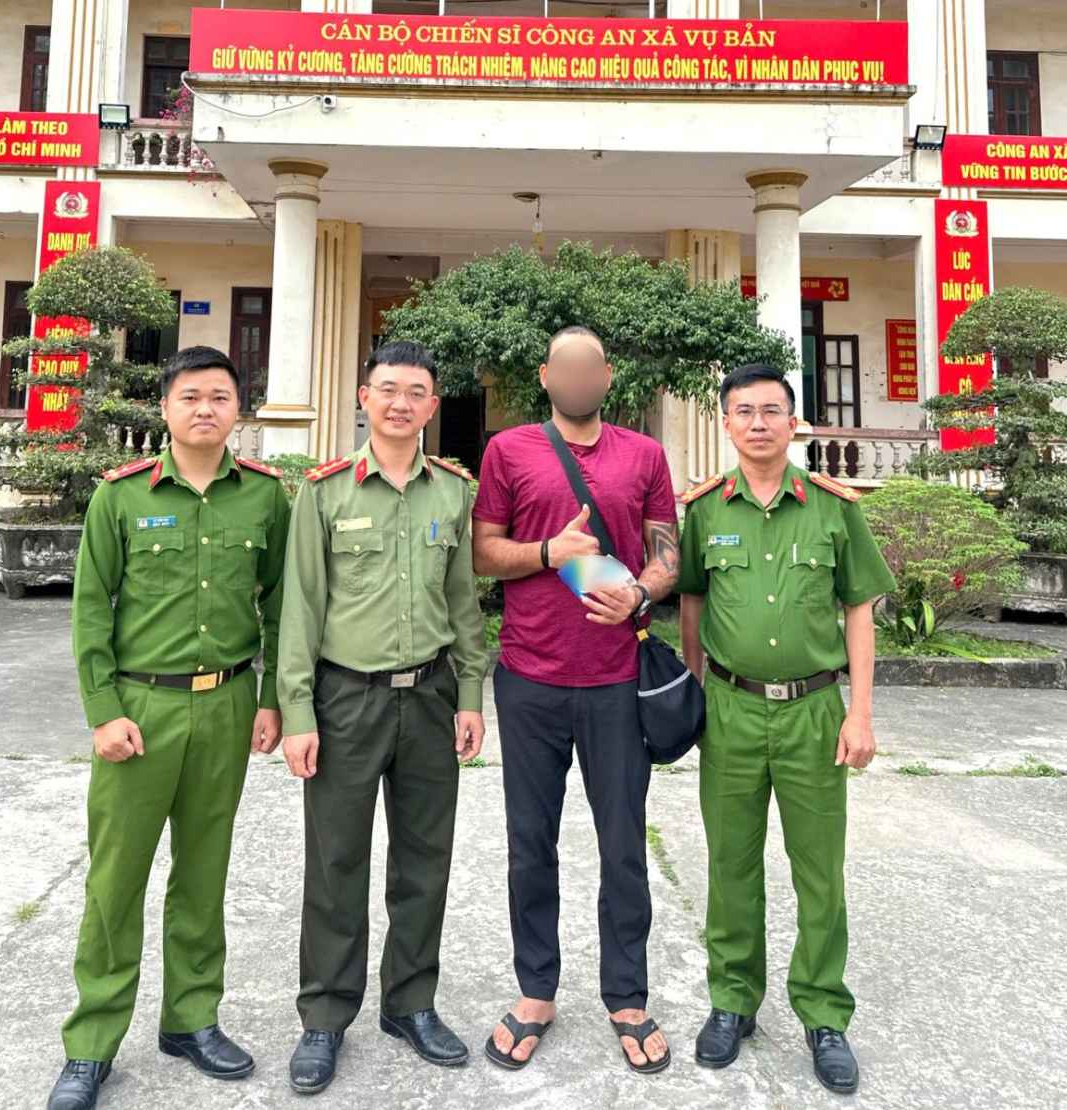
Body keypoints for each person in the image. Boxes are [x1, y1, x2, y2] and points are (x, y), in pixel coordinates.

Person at [46, 346, 290, 1110]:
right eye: (191, 396)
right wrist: (103, 711)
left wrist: (272, 697)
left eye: (221, 397)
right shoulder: (118, 498)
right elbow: (91, 609)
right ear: (166, 409)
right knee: (116, 878)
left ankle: (190, 1019)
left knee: (203, 871)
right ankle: (91, 1043)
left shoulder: (264, 498)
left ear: (238, 412)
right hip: (140, 711)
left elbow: (283, 603)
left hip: (227, 704)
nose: (206, 409)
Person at [676, 363, 896, 1096]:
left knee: (818, 872)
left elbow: (859, 607)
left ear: (794, 423)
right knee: (730, 865)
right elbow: (693, 610)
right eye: (745, 411)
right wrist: (695, 690)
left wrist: (860, 712)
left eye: (773, 410)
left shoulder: (834, 510)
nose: (760, 423)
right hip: (731, 712)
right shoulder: (706, 511)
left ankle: (824, 1013)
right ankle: (732, 1001)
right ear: (728, 424)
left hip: (814, 713)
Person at [276, 339, 487, 1096]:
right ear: (364, 398)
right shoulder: (325, 492)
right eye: (387, 389)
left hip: (430, 696)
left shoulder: (452, 493)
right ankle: (326, 1016)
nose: (401, 403)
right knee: (336, 863)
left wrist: (470, 696)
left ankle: (411, 1003)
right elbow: (299, 610)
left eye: (417, 391)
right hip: (344, 699)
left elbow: (463, 604)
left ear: (433, 406)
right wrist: (297, 710)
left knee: (424, 858)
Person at [472, 325, 680, 1075]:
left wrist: (640, 593)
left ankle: (626, 994)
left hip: (617, 681)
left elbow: (668, 551)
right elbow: (483, 550)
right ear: (545, 375)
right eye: (566, 366)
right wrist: (546, 554)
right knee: (531, 843)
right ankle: (536, 992)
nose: (579, 377)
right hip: (529, 677)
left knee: (623, 845)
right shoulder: (510, 451)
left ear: (608, 376)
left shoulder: (644, 455)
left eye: (590, 366)